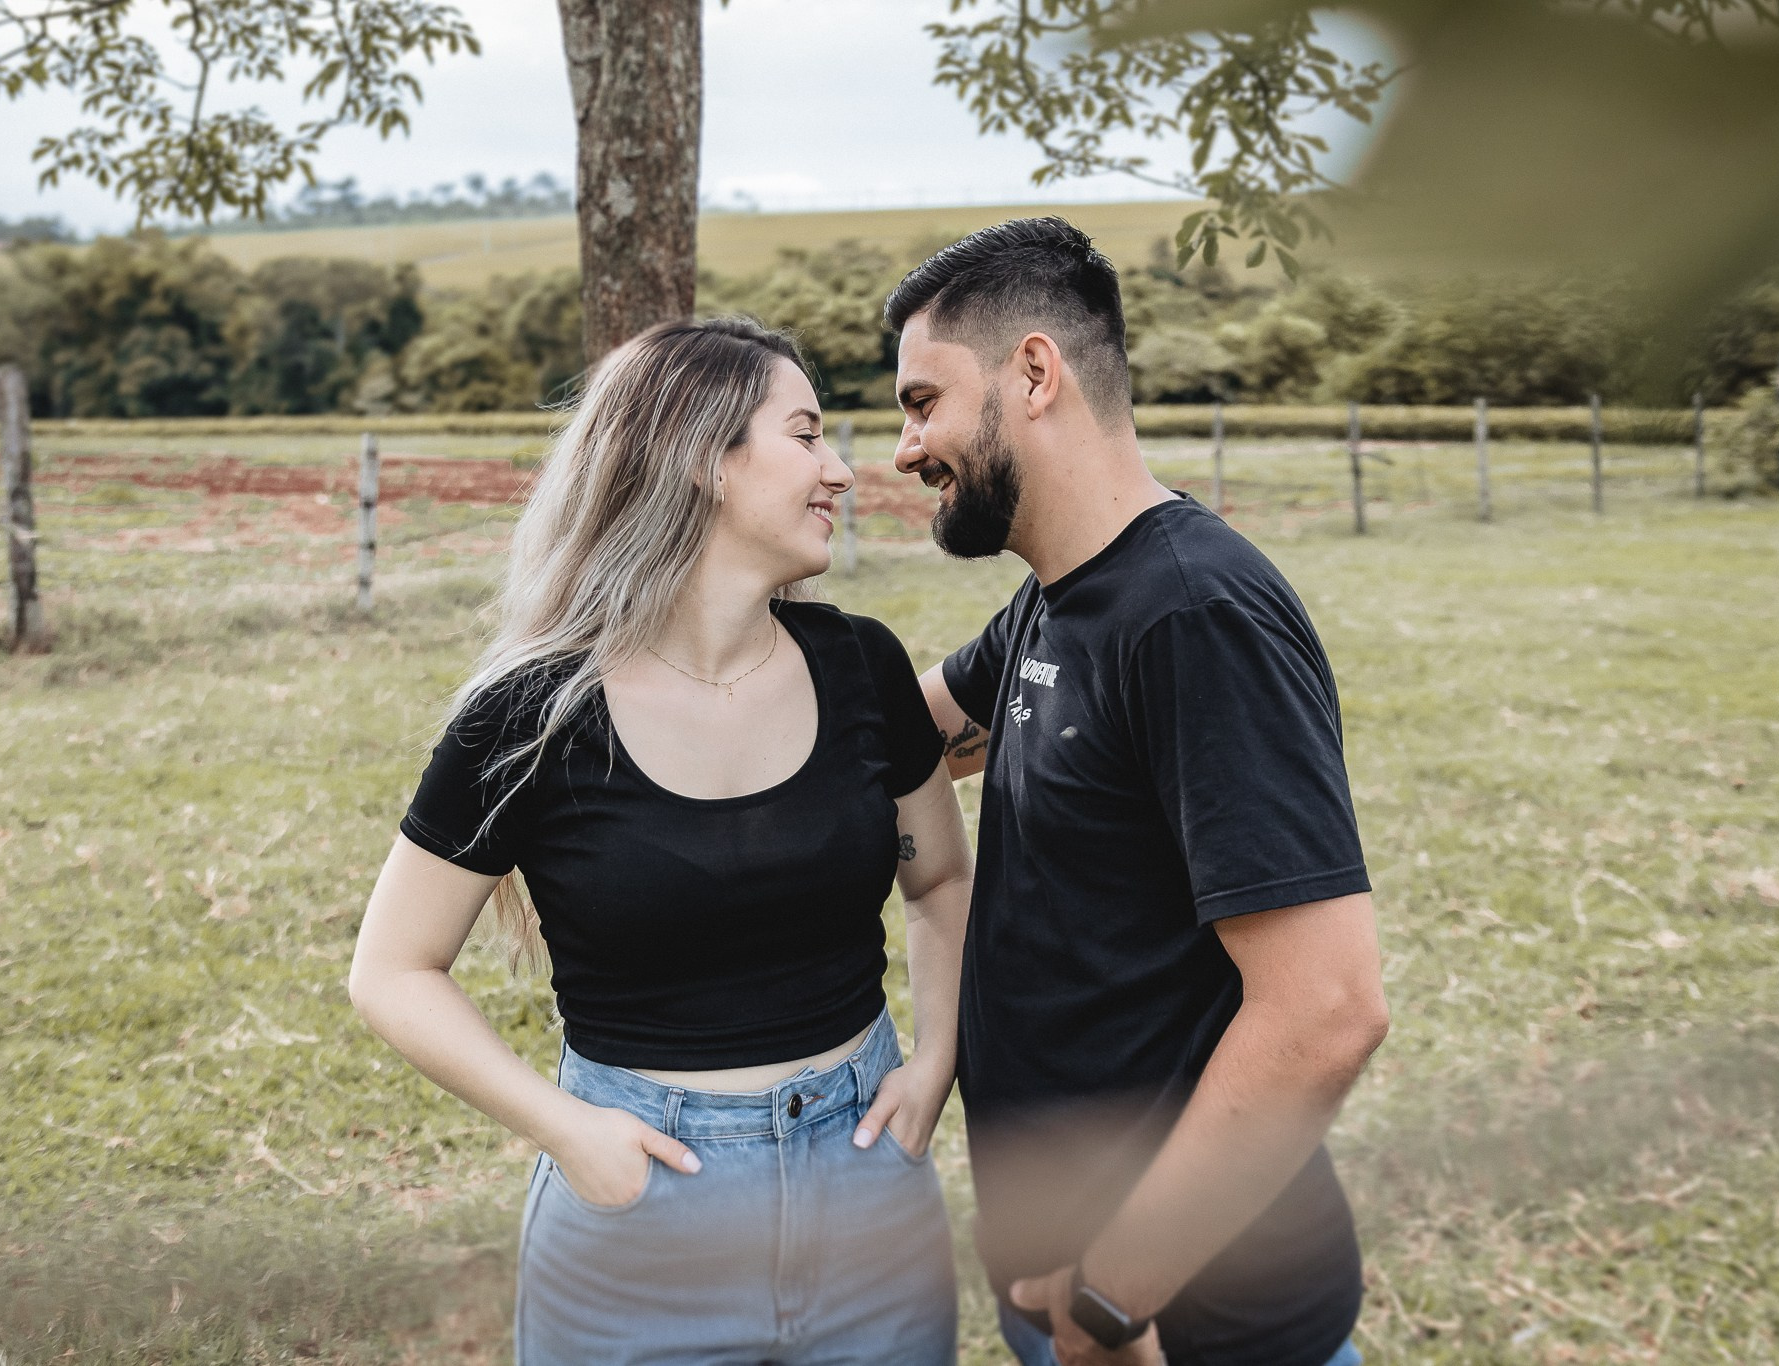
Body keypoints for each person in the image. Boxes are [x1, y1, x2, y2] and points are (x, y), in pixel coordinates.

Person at [348, 317, 973, 1365]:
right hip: (642, 1214)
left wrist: (940, 1057)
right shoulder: (532, 714)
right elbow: (392, 970)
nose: (840, 471)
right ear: (701, 459)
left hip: (868, 1184)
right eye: (805, 436)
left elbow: (941, 879)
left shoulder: (862, 666)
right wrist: (567, 1130)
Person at [886, 218, 1389, 1366]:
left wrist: (1110, 1296)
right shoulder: (1060, 596)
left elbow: (1326, 1009)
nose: (905, 449)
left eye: (921, 403)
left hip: (1189, 1320)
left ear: (1032, 372)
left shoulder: (1192, 614)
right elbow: (906, 737)